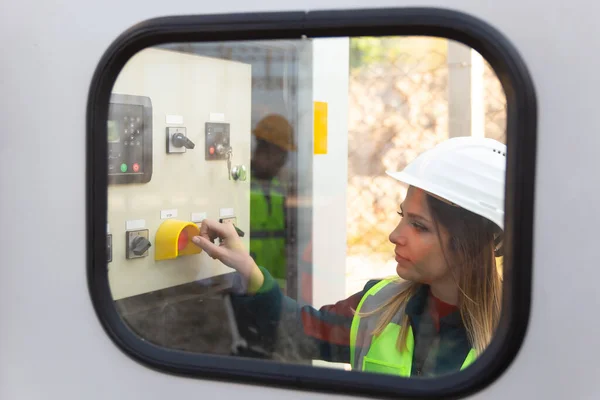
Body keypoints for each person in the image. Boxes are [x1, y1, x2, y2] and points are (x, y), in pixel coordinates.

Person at [192, 136, 505, 378]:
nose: (395, 235)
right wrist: (246, 268)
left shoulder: (519, 332)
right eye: (402, 217)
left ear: (471, 243)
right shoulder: (378, 305)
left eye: (419, 226)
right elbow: (301, 332)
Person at [248, 114, 295, 291]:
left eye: (284, 155)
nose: (282, 161)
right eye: (279, 154)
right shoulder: (239, 187)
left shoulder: (279, 188)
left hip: (276, 284)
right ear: (261, 149)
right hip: (245, 282)